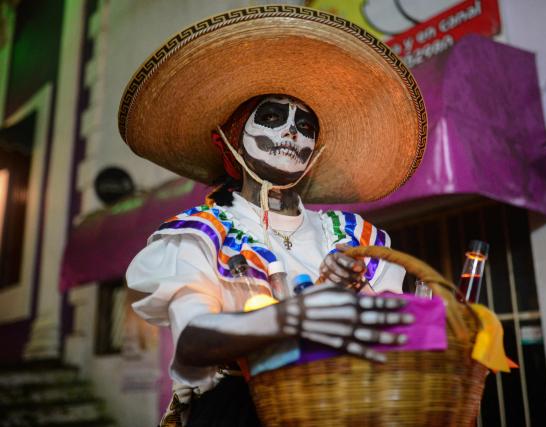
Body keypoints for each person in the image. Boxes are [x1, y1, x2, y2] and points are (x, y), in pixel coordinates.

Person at [119, 6, 427, 426]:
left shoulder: (353, 235)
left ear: (314, 153)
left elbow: (403, 335)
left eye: (305, 124)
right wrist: (296, 316)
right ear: (228, 141)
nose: (291, 132)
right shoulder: (199, 234)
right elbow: (193, 340)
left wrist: (419, 318)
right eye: (270, 117)